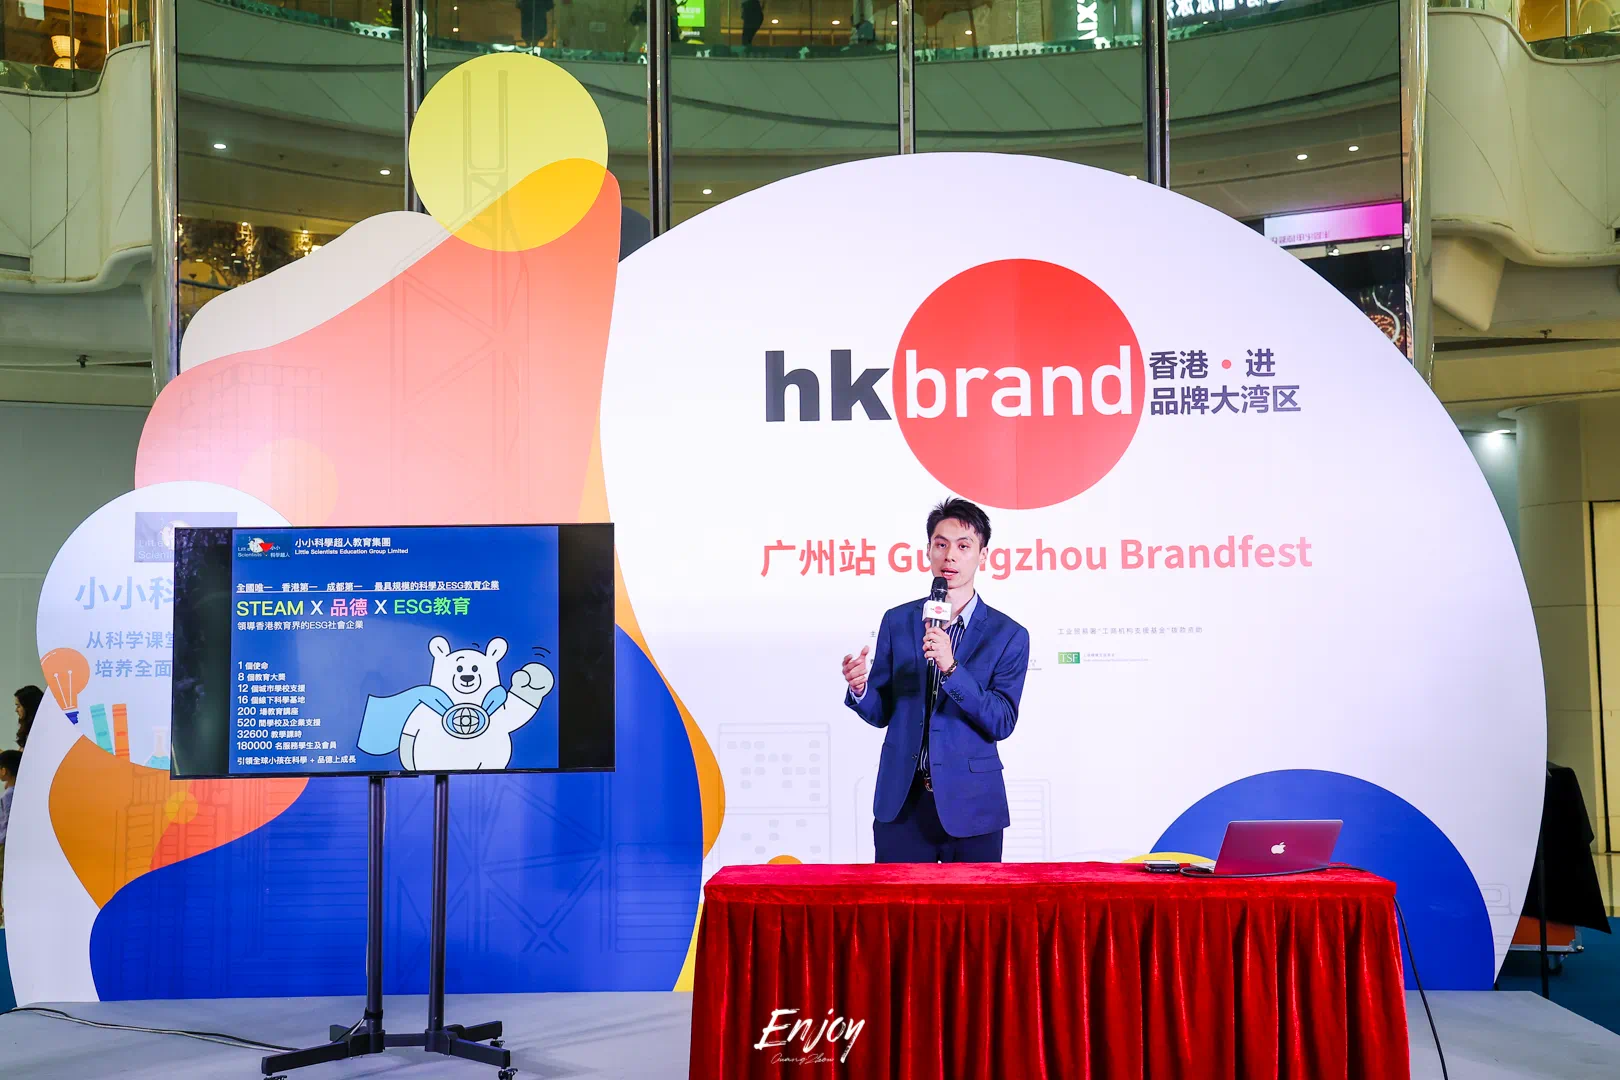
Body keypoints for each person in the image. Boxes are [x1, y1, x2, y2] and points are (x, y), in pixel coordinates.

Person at [841, 498, 1030, 863]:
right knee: (897, 901)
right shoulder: (898, 620)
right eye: (941, 544)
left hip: (973, 805)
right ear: (928, 550)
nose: (950, 556)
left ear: (983, 555)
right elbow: (882, 711)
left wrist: (952, 669)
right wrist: (861, 689)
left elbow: (1002, 720)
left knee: (975, 903)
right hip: (903, 803)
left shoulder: (1008, 634)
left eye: (963, 546)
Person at [0, 748, 18, 927]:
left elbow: (7, 821)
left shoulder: (8, 795)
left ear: (4, 770)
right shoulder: (15, 792)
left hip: (4, 843)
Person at [14, 686, 41, 751]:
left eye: (18, 706)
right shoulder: (28, 729)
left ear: (28, 706)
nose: (16, 710)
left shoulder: (39, 732)